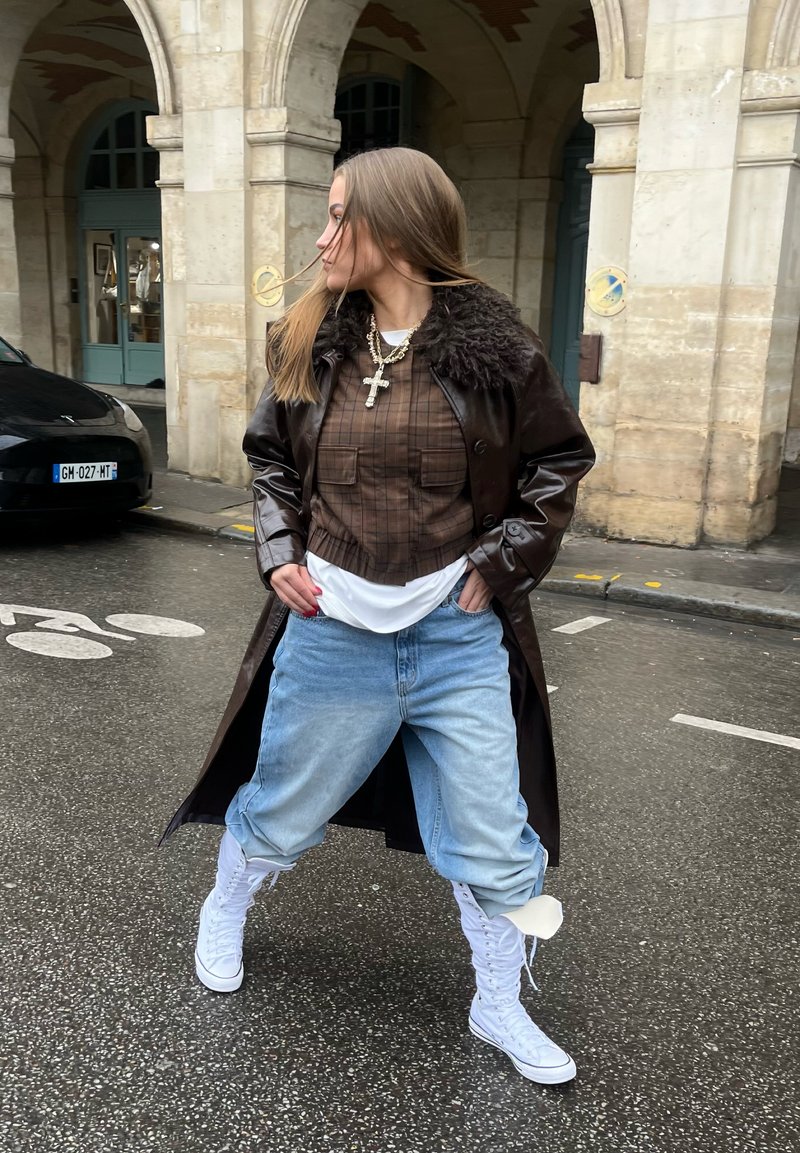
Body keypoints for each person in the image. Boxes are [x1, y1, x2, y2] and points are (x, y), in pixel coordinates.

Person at [162, 147, 595, 1086]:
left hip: (455, 633)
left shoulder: (498, 352)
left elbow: (557, 465)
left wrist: (502, 561)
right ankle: (226, 906)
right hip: (332, 630)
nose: (320, 239)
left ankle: (496, 1003)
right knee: (280, 808)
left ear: (393, 229)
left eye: (335, 218)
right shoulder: (306, 339)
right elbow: (271, 462)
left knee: (491, 832)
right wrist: (278, 552)